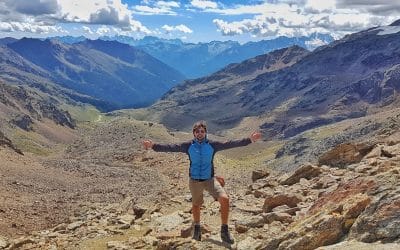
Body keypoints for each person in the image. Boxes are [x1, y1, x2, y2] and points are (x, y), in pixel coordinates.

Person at [142, 120, 262, 244]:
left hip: (209, 180)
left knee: (225, 199)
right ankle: (197, 229)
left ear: (205, 133)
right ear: (194, 133)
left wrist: (250, 140)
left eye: (202, 131)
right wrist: (154, 146)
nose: (200, 133)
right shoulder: (188, 145)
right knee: (196, 205)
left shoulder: (213, 144)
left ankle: (224, 231)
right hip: (194, 181)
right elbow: (171, 147)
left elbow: (230, 144)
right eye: (197, 131)